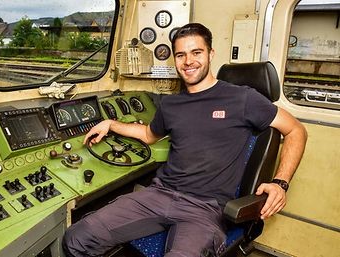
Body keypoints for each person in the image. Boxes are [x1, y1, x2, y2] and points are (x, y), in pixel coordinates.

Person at [62, 23, 307, 257]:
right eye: (180, 55)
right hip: (158, 195)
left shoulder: (243, 99)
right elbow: (148, 135)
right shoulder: (171, 104)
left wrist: (280, 183)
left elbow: (296, 131)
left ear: (211, 54)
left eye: (196, 52)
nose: (188, 61)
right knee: (77, 238)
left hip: (206, 208)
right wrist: (111, 124)